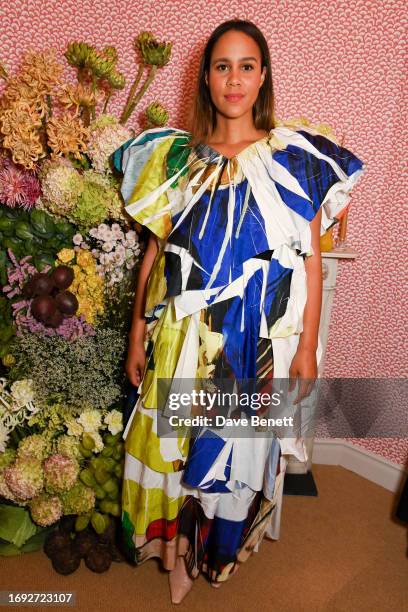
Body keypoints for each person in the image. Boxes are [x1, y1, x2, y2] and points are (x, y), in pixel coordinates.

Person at [111, 18, 365, 604]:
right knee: (173, 449)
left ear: (262, 76)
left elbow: (308, 259)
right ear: (206, 78)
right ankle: (176, 558)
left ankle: (214, 552)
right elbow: (156, 250)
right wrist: (134, 336)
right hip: (180, 335)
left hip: (250, 342)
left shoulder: (295, 159)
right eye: (222, 66)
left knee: (234, 451)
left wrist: (305, 348)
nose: (234, 79)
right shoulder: (175, 159)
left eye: (246, 66)